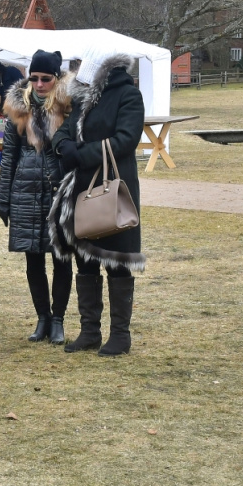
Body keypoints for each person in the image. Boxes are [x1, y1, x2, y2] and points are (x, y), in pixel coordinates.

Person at [50, 44, 146, 356]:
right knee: (86, 259)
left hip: (114, 188)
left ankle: (120, 335)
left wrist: (82, 154)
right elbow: (63, 132)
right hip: (82, 189)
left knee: (116, 261)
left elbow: (126, 139)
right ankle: (89, 331)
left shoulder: (128, 96)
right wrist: (63, 146)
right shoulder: (83, 98)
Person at [0, 50, 74, 345]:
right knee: (33, 258)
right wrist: (4, 199)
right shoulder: (19, 108)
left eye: (45, 79)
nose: (39, 84)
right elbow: (8, 156)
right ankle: (42, 317)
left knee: (61, 257)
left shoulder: (68, 107)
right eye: (34, 78)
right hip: (25, 190)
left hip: (59, 190)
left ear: (56, 78)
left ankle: (58, 320)